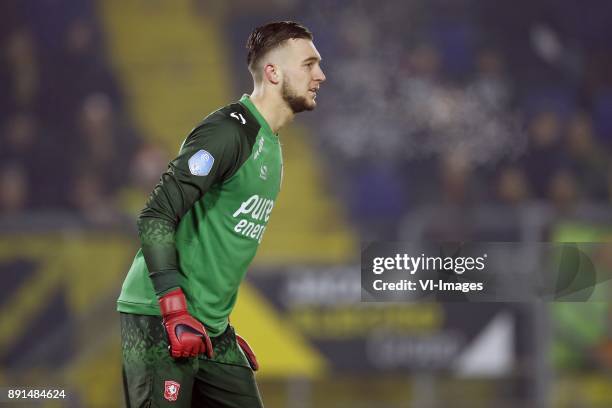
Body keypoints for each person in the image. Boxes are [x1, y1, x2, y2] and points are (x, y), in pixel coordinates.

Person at [117, 20, 325, 407]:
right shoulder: (228, 132)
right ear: (273, 72)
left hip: (210, 331)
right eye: (309, 64)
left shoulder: (272, 148)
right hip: (159, 318)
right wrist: (175, 310)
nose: (321, 75)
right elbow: (156, 215)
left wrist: (218, 325)